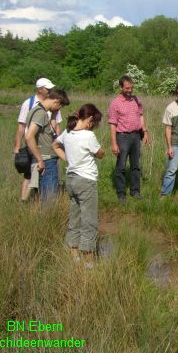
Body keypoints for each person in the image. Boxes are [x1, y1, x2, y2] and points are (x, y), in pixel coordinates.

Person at [52, 104, 104, 268]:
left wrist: (68, 158)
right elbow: (100, 153)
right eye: (94, 122)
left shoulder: (68, 132)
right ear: (89, 119)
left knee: (74, 217)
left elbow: (55, 145)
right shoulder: (88, 136)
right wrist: (100, 150)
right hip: (86, 181)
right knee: (89, 220)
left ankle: (74, 254)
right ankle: (88, 261)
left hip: (71, 179)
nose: (94, 125)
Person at [14, 78, 63, 201]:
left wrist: (58, 142)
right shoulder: (29, 103)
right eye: (48, 88)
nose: (50, 90)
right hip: (33, 146)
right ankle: (24, 201)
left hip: (47, 146)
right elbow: (22, 127)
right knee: (29, 175)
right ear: (40, 89)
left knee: (41, 174)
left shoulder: (53, 105)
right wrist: (17, 146)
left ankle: (37, 200)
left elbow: (56, 124)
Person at [108, 75, 150, 204]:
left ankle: (135, 191)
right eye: (127, 88)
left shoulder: (136, 100)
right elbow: (112, 124)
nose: (130, 90)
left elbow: (141, 116)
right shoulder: (115, 103)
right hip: (122, 137)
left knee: (136, 165)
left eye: (131, 88)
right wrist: (114, 143)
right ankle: (121, 194)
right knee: (121, 166)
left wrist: (145, 131)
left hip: (136, 136)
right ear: (121, 87)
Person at [24, 88, 70, 203]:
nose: (59, 109)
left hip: (46, 158)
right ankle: (48, 219)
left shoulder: (41, 111)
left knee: (46, 195)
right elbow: (29, 136)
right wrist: (40, 160)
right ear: (57, 101)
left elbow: (52, 133)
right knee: (49, 197)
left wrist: (54, 116)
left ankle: (46, 218)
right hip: (46, 160)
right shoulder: (40, 113)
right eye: (60, 106)